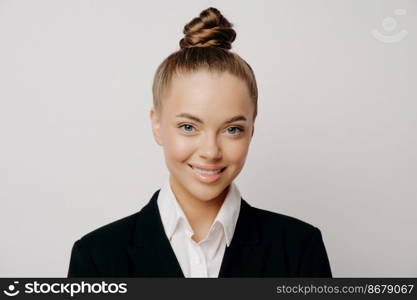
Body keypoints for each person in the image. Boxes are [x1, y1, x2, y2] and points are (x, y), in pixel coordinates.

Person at [67, 7, 332, 278]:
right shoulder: (97, 256)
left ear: (252, 129)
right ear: (156, 125)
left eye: (232, 129)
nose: (210, 152)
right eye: (188, 127)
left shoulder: (299, 248)